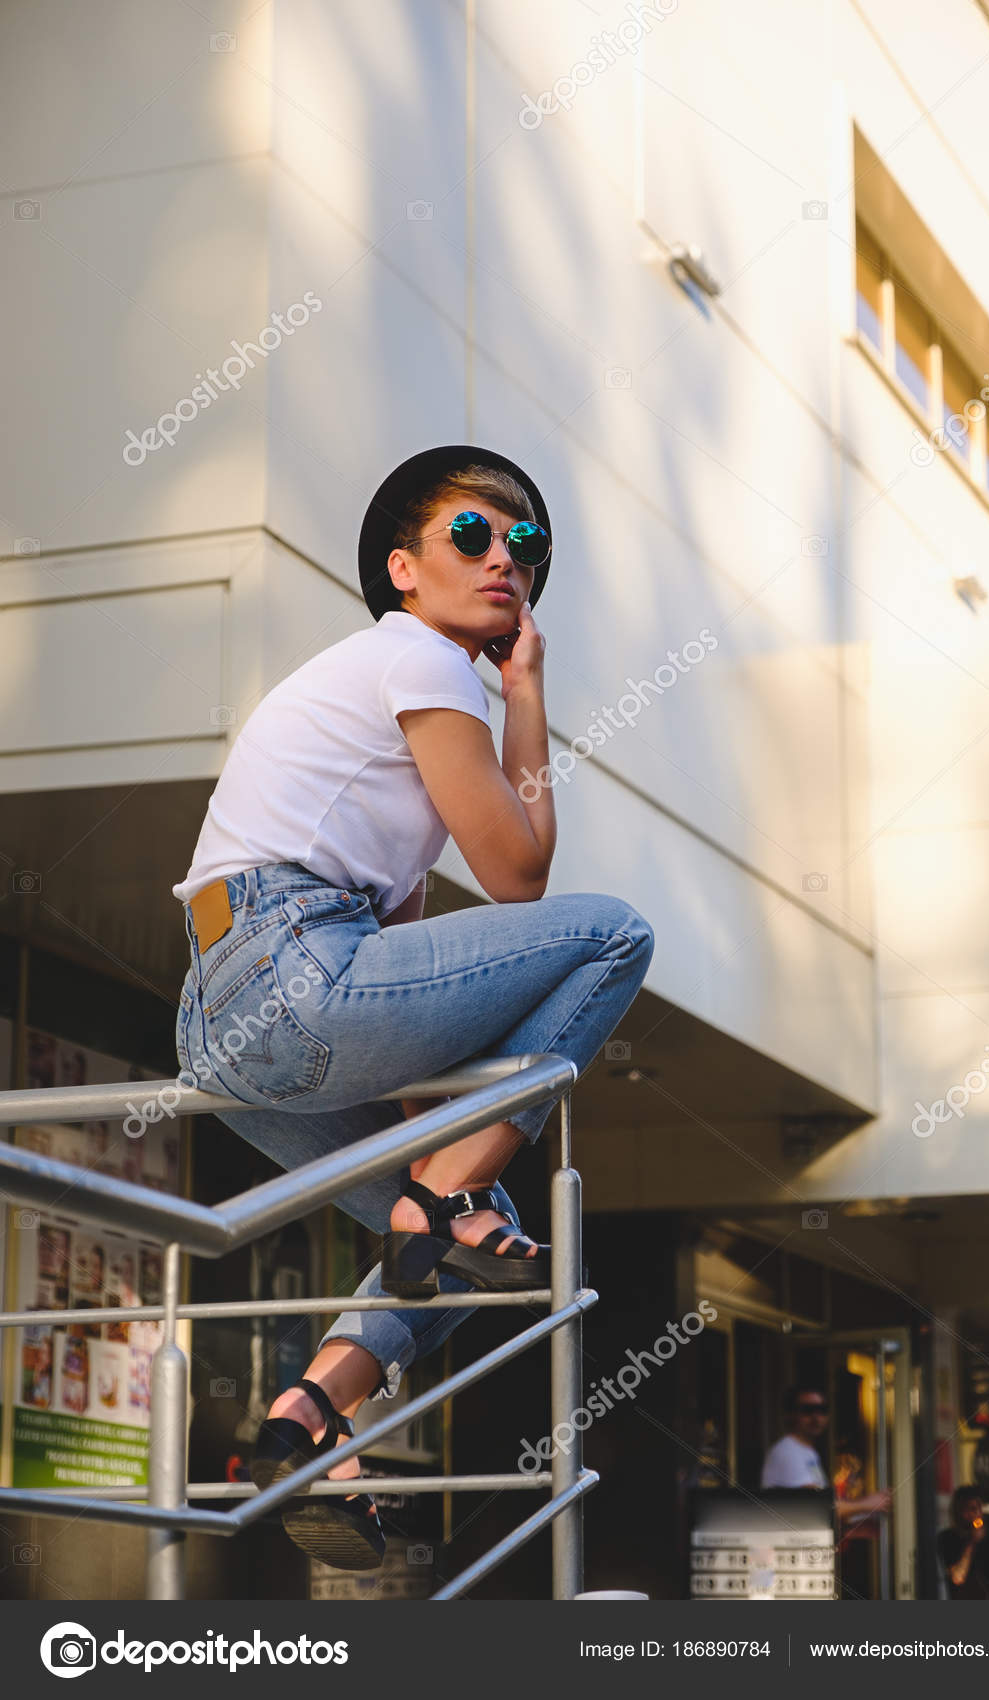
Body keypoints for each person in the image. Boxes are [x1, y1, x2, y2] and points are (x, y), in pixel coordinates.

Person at [172, 444, 655, 1570]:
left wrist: (450, 1177)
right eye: (472, 536)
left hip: (221, 1019)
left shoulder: (400, 702)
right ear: (402, 567)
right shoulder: (419, 657)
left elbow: (419, 987)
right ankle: (439, 1206)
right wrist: (524, 691)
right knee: (614, 930)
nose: (505, 561)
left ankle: (302, 1421)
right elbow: (522, 873)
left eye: (524, 546)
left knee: (469, 1252)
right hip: (283, 966)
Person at [761, 1386, 891, 1526]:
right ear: (792, 1414)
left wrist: (866, 1509)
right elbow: (818, 1507)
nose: (816, 1417)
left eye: (822, 1410)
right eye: (808, 1410)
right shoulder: (788, 1452)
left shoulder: (807, 1452)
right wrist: (868, 1504)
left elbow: (824, 1506)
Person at [937, 1485, 989, 1600]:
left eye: (979, 1508)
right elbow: (957, 1577)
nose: (976, 1513)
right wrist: (972, 1542)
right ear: (959, 1511)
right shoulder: (948, 1538)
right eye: (971, 1509)